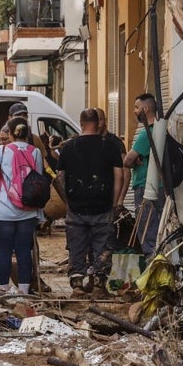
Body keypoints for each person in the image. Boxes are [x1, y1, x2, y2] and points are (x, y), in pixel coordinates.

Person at [57, 109, 124, 296]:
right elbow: (119, 175)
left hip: (76, 206)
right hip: (102, 205)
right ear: (98, 123)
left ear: (81, 123)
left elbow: (59, 176)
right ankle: (99, 284)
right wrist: (115, 201)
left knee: (77, 244)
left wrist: (67, 200)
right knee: (102, 245)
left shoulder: (69, 147)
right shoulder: (110, 146)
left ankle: (77, 284)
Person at [0, 117, 44, 294]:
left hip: (3, 210)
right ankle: (24, 291)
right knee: (24, 251)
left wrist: (1, 169)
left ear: (9, 133)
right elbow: (37, 178)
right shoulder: (36, 152)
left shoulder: (2, 150)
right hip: (28, 210)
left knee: (4, 251)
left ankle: (3, 289)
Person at [123, 93, 166, 255]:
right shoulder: (160, 131)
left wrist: (136, 158)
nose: (134, 111)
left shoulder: (146, 134)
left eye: (136, 107)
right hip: (159, 186)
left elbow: (127, 161)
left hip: (145, 186)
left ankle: (151, 263)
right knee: (156, 226)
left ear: (145, 108)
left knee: (146, 228)